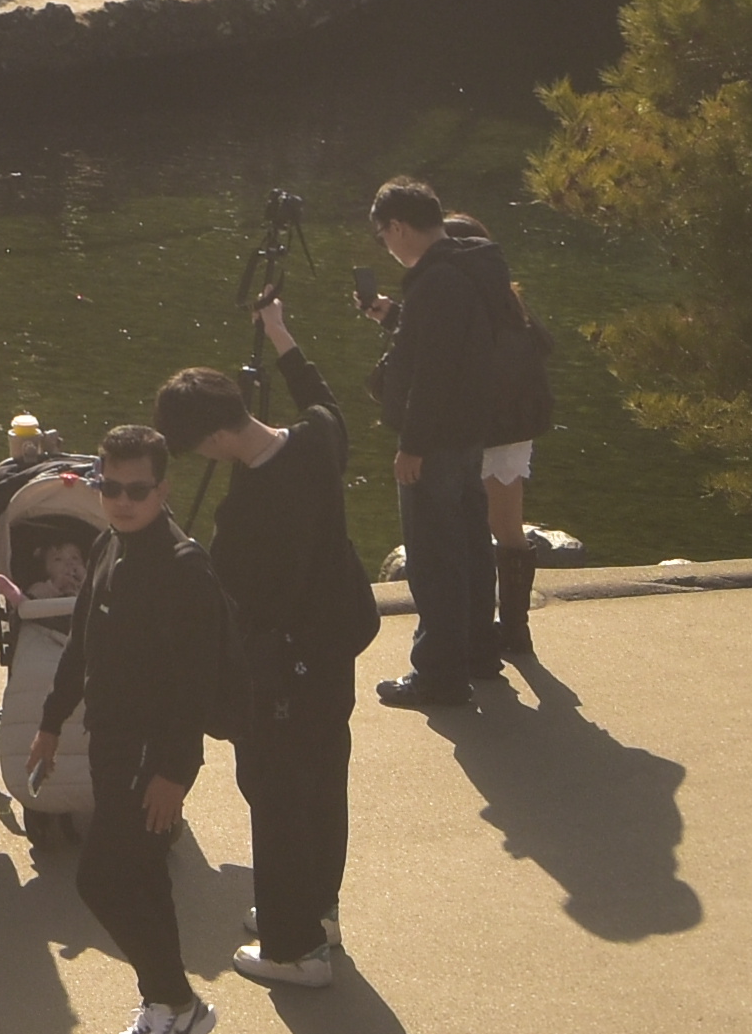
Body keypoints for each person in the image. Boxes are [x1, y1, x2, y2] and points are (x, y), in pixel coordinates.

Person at [161, 293, 373, 989]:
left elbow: (234, 601)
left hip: (283, 666)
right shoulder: (315, 439)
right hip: (334, 647)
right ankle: (317, 913)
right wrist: (283, 336)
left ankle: (292, 948)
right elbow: (327, 401)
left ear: (216, 440)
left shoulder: (250, 508)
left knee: (277, 795)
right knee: (323, 781)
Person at [27, 422, 242, 1034]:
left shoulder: (183, 568)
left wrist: (175, 772)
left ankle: (182, 1002)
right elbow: (83, 645)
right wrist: (52, 721)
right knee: (146, 884)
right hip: (110, 745)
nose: (121, 500)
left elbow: (197, 684)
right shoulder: (109, 547)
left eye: (136, 490)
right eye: (110, 486)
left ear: (163, 488)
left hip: (154, 758)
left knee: (102, 880)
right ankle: (160, 1009)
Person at [361, 175, 523, 707]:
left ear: (400, 227)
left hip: (438, 440)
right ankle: (478, 651)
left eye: (385, 234)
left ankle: (438, 672)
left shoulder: (436, 283)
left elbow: (432, 373)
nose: (387, 246)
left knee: (434, 557)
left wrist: (413, 445)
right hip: (472, 432)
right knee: (471, 546)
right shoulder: (471, 268)